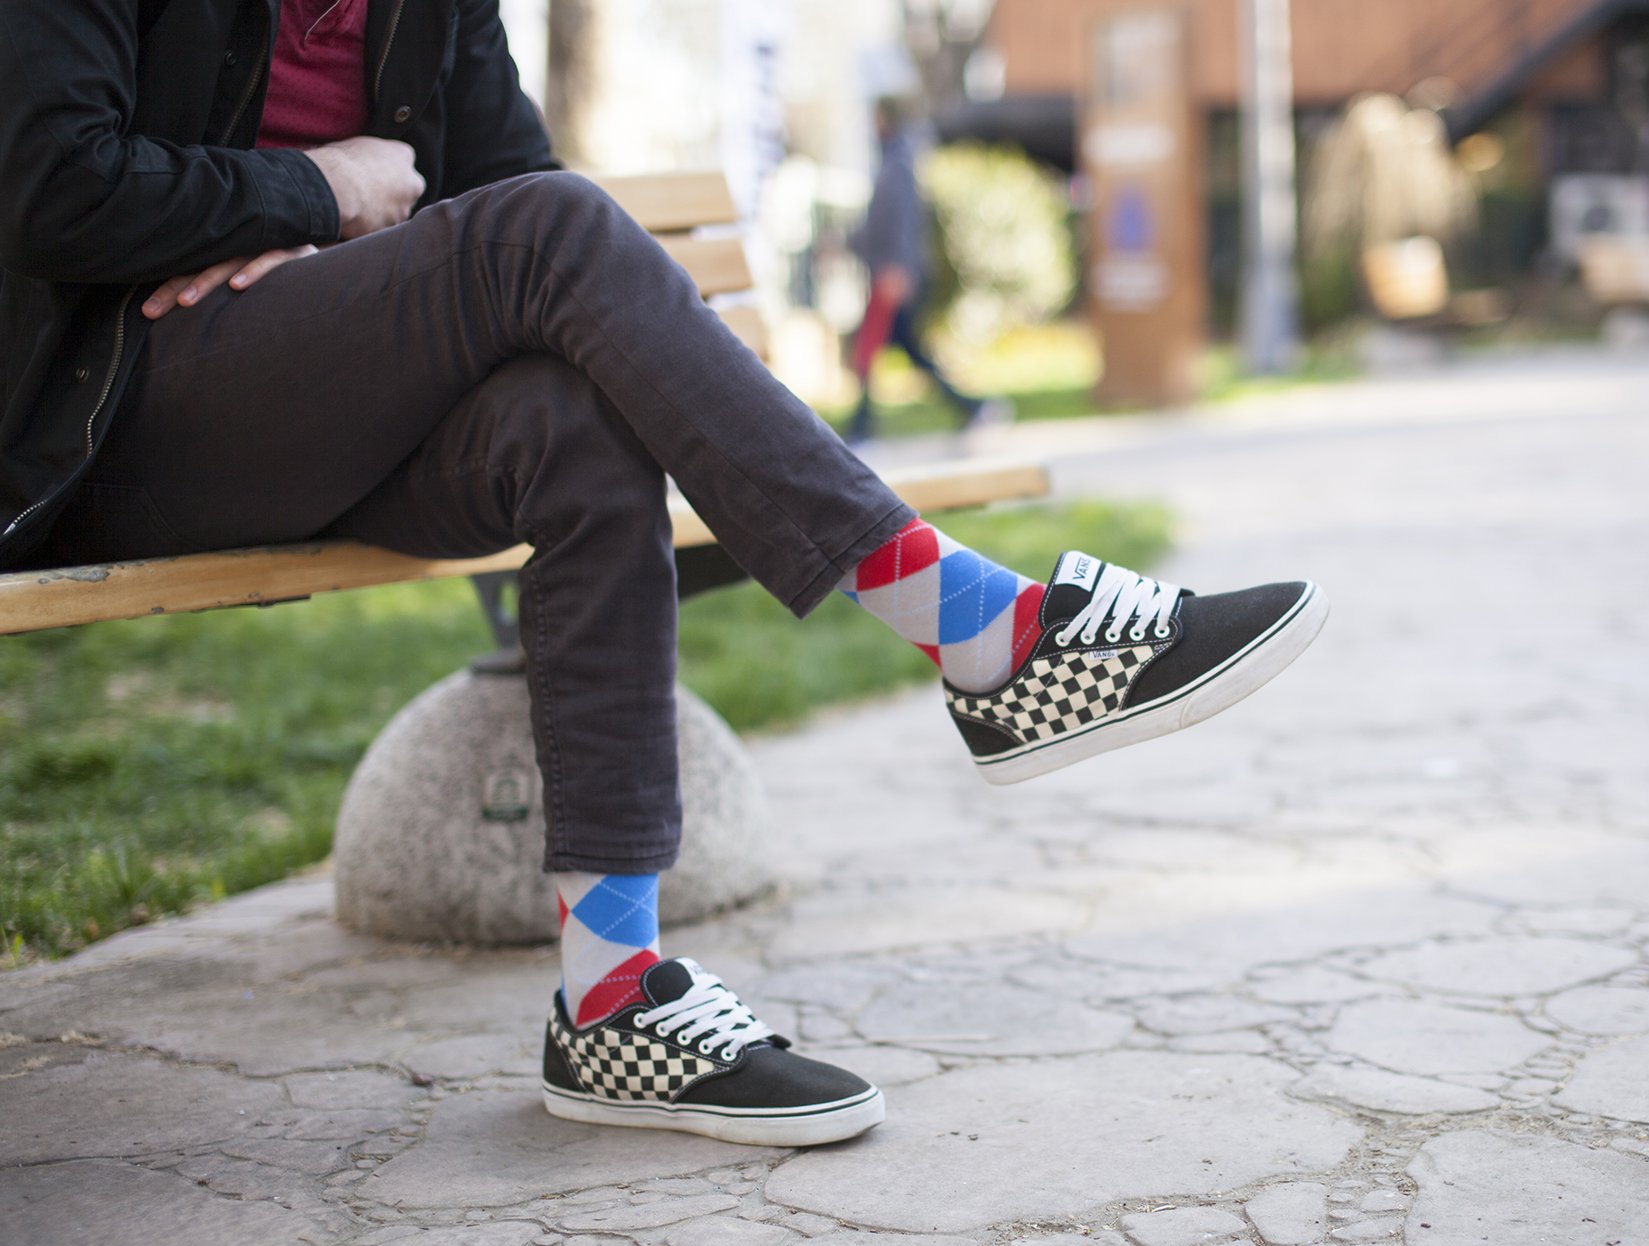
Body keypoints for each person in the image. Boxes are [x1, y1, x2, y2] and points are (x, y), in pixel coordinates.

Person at [0, 0, 1326, 1147]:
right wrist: (323, 190)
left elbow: (501, 192)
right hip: (109, 417)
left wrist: (338, 269)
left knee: (570, 424)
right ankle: (985, 633)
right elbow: (55, 184)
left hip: (306, 402)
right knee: (554, 236)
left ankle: (614, 993)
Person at [843, 97, 997, 445]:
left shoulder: (898, 165)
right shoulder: (892, 160)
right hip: (887, 272)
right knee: (898, 349)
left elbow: (902, 224)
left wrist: (897, 268)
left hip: (892, 277)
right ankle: (971, 407)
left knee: (874, 348)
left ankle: (862, 426)